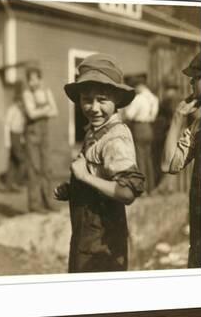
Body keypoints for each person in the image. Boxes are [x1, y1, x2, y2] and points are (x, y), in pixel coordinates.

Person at [54, 54, 145, 273]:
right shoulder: (96, 131)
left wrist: (85, 177)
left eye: (102, 99)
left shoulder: (115, 137)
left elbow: (126, 193)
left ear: (116, 101)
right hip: (87, 236)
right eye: (87, 99)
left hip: (103, 246)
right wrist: (74, 188)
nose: (93, 107)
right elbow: (99, 174)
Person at [161, 52, 201, 268]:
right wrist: (178, 117)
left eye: (196, 78)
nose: (191, 83)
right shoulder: (199, 126)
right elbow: (168, 165)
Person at [22, 64, 59, 212]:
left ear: (40, 79)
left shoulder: (47, 92)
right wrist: (45, 109)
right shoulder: (27, 94)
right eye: (30, 80)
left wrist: (40, 110)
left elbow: (55, 111)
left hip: (44, 134)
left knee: (47, 168)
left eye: (35, 79)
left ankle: (48, 201)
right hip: (32, 134)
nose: (32, 83)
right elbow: (31, 114)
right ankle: (35, 205)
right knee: (34, 169)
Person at [122, 80, 159, 193]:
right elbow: (154, 115)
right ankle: (151, 187)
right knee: (148, 158)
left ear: (140, 87)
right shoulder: (154, 98)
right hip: (149, 127)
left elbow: (129, 115)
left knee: (140, 159)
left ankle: (142, 188)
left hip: (139, 128)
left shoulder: (138, 99)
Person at [0, 81, 27, 192]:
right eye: (19, 100)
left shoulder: (22, 111)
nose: (21, 103)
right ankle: (16, 182)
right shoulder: (12, 110)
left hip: (18, 136)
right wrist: (7, 142)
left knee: (12, 161)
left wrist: (22, 138)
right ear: (16, 100)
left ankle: (8, 185)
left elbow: (22, 126)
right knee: (22, 160)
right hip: (13, 135)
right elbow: (7, 126)